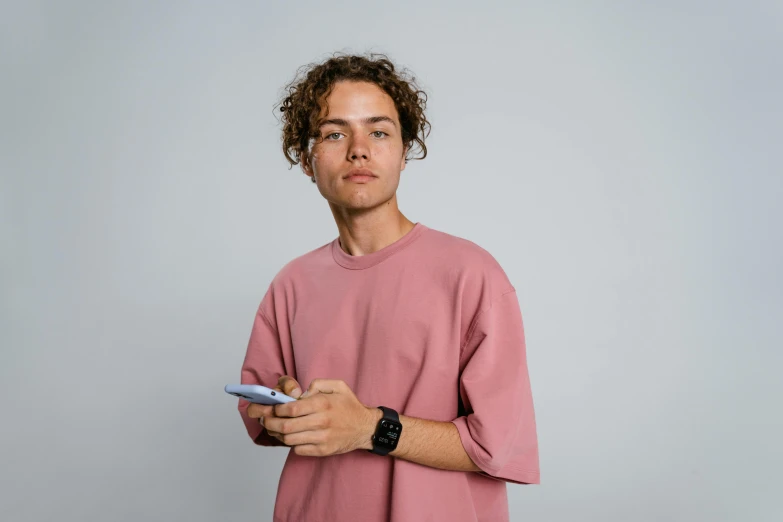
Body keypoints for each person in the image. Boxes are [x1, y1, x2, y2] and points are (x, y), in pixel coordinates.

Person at [236, 52, 540, 522]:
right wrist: (288, 416)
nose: (359, 148)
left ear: (403, 151)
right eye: (335, 133)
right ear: (305, 158)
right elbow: (262, 417)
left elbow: (496, 444)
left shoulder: (471, 274)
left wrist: (368, 428)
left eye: (378, 131)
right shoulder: (291, 283)